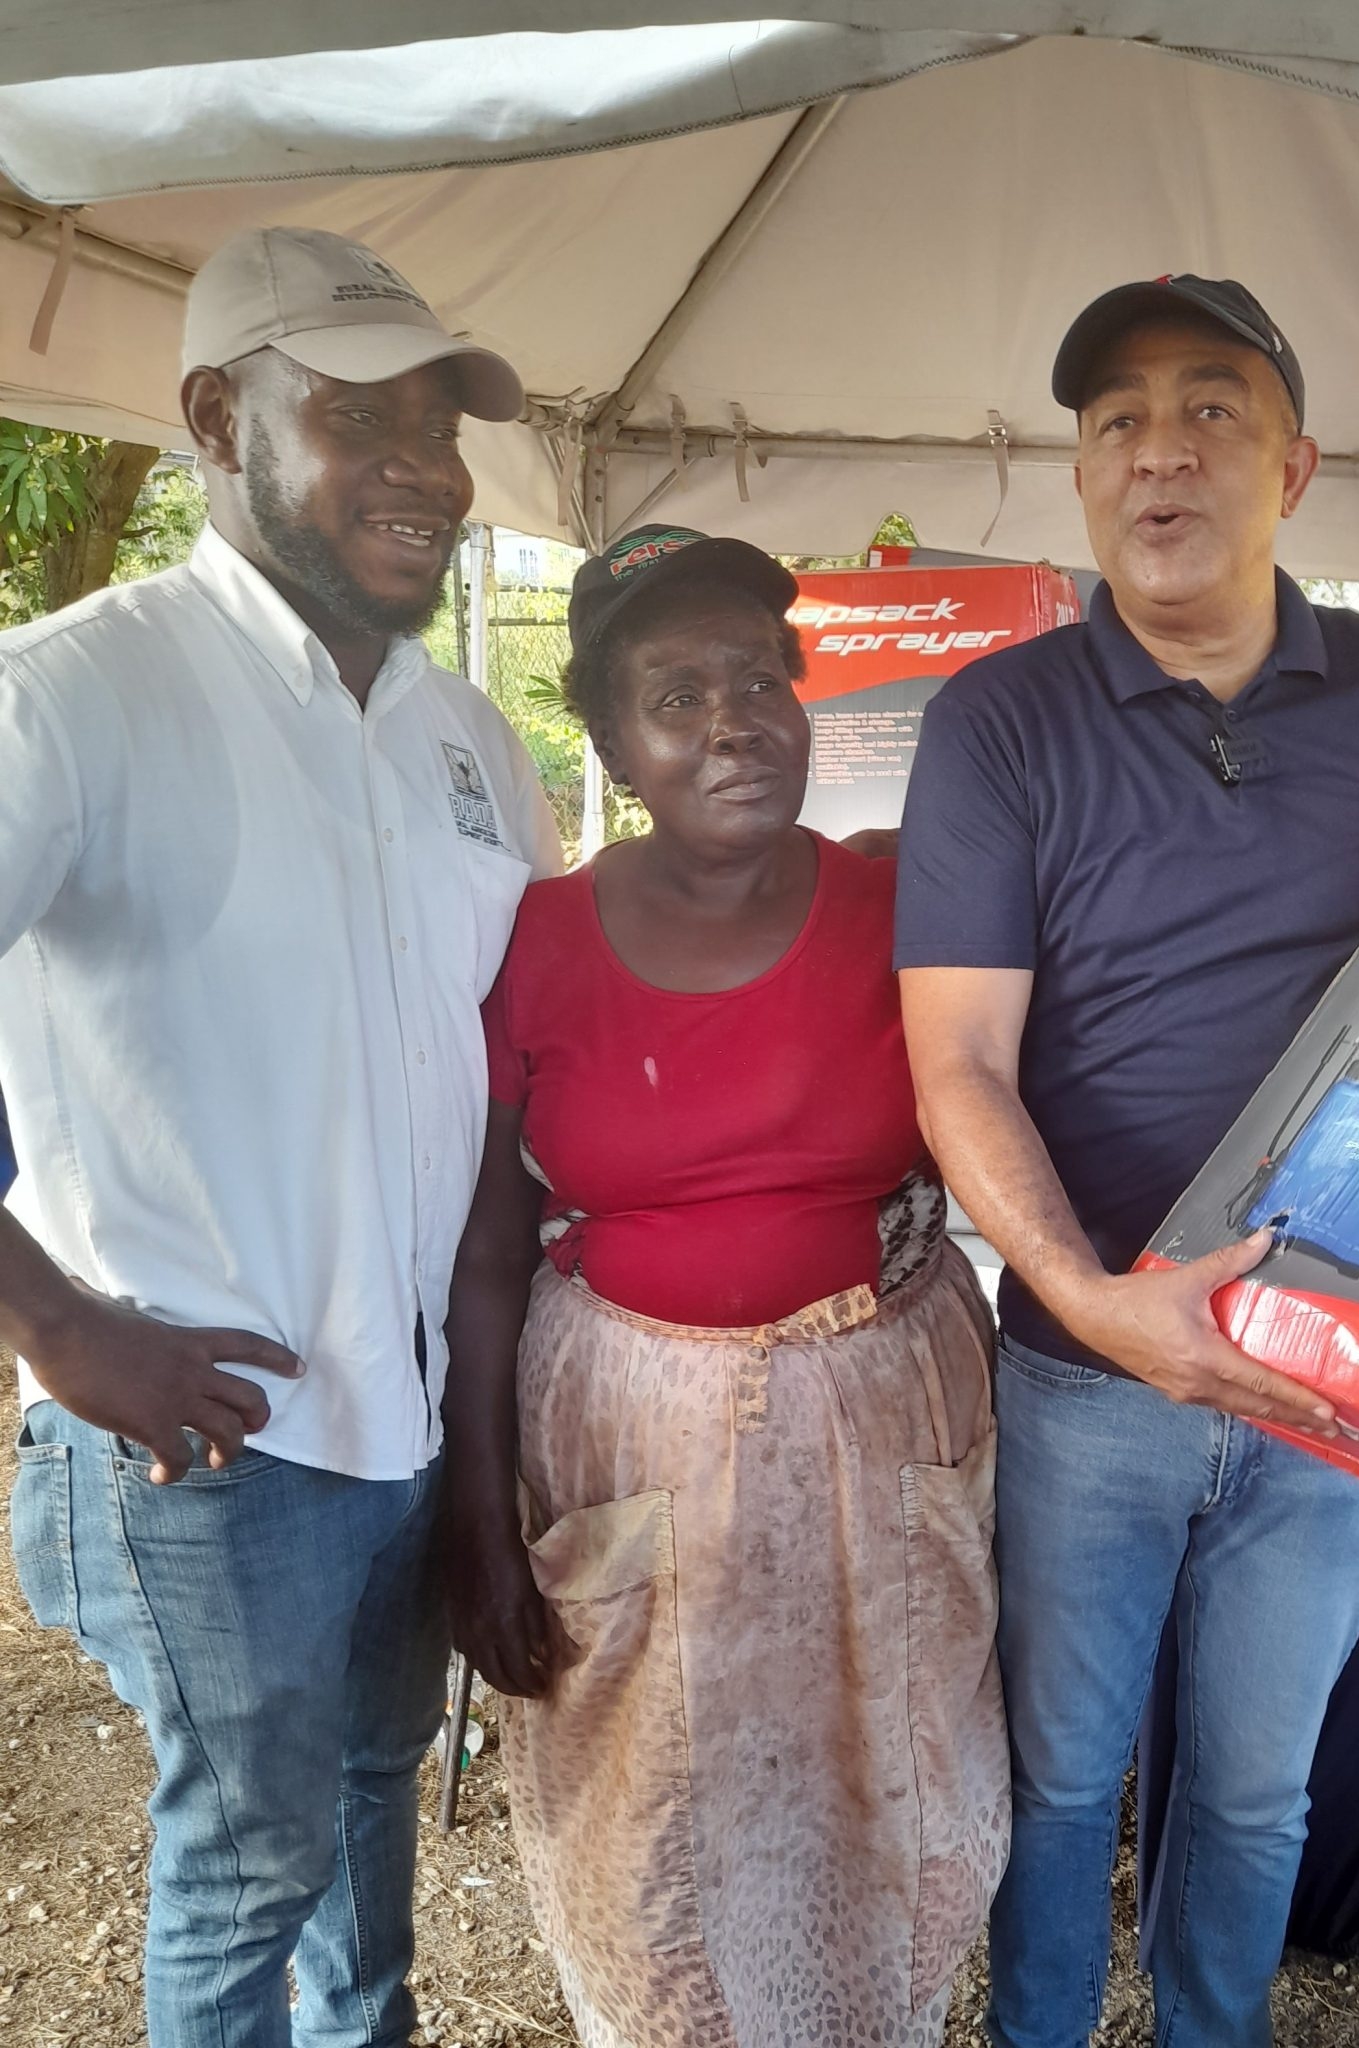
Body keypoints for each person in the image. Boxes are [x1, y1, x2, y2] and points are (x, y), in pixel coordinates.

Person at [896, 275, 1359, 2048]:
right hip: (1085, 1380)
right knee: (1061, 1780)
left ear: (1293, 468)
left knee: (1252, 1794)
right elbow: (958, 1062)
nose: (1161, 452)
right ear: (1082, 477)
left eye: (1211, 410)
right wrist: (1092, 1299)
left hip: (1334, 1381)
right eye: (1118, 422)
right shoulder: (996, 721)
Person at [1, 226, 561, 2048]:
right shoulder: (72, 696)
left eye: (440, 426)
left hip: (418, 1421)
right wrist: (60, 1328)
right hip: (218, 1444)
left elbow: (505, 1064)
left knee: (368, 1802)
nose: (426, 468)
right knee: (249, 1869)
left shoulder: (471, 738)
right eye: (359, 417)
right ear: (213, 419)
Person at [443, 524, 1008, 2048]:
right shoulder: (541, 942)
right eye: (676, 696)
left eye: (760, 680)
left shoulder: (909, 914)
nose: (732, 722)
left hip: (880, 1441)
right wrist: (476, 1520)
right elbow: (489, 1249)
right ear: (612, 745)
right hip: (629, 1449)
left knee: (891, 1787)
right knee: (653, 1821)